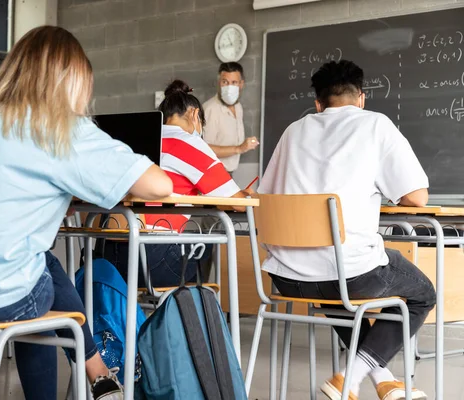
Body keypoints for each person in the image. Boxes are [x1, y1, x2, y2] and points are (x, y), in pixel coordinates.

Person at [0, 26, 172, 400]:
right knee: (35, 276)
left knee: (34, 267)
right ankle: (99, 374)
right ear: (72, 82)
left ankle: (98, 373)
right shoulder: (57, 126)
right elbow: (159, 186)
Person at [258, 60, 435, 400]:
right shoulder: (375, 125)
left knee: (337, 289)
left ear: (318, 104)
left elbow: (265, 197)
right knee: (422, 294)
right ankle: (348, 378)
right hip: (345, 274)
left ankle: (382, 378)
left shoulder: (293, 131)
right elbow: (416, 196)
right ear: (362, 99)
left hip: (286, 275)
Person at [103, 80, 251, 287]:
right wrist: (246, 195)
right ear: (194, 114)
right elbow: (237, 203)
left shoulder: (136, 139)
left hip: (106, 255)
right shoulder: (190, 142)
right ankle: (186, 313)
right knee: (208, 243)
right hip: (151, 260)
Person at [203, 62, 259, 173]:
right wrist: (240, 148)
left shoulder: (238, 107)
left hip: (229, 172)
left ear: (241, 84)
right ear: (219, 83)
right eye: (225, 82)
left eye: (234, 83)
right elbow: (205, 149)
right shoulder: (210, 109)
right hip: (213, 174)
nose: (229, 88)